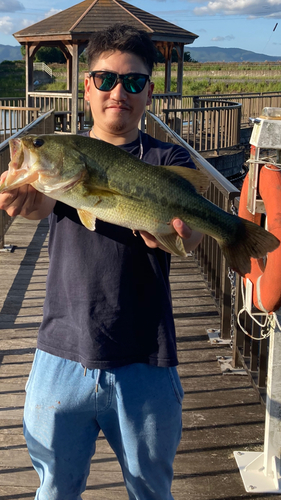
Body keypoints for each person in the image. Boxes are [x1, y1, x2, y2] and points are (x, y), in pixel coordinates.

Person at [0, 24, 202, 500]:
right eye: (106, 80)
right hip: (60, 354)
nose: (119, 92)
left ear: (150, 91)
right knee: (54, 490)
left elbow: (185, 240)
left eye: (133, 82)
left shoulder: (167, 156)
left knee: (152, 491)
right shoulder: (69, 155)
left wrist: (182, 238)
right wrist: (24, 199)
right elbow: (40, 204)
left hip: (146, 358)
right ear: (87, 86)